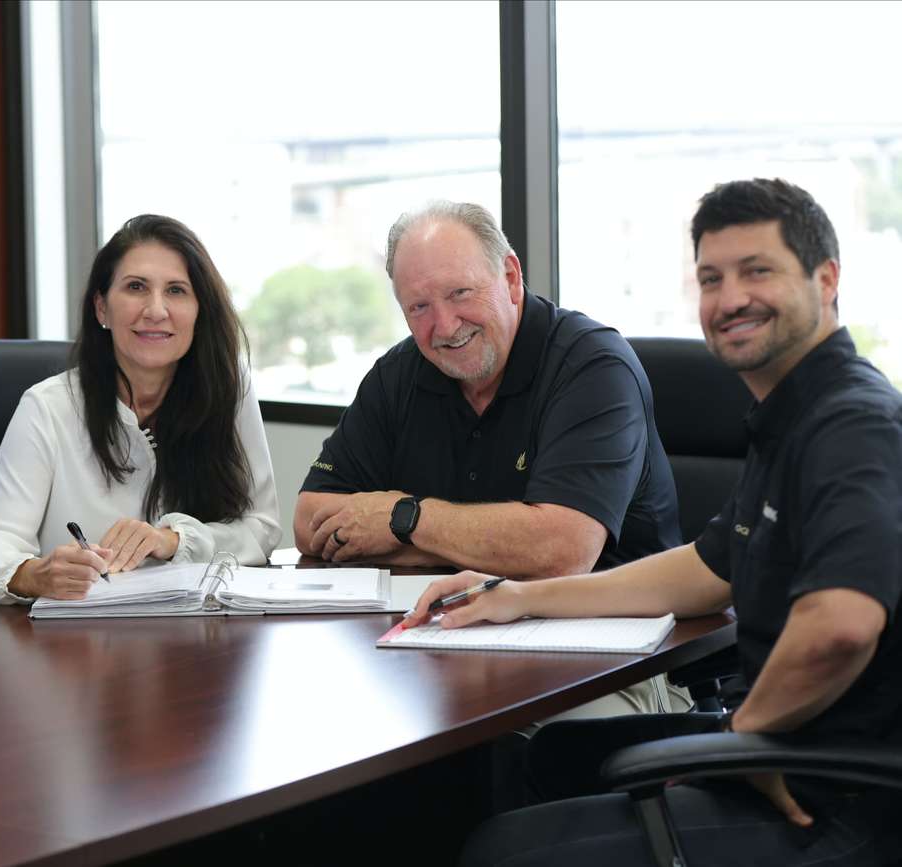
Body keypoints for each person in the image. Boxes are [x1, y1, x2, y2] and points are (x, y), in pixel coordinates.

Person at [406, 179, 902, 866]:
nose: (730, 299)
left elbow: (841, 625)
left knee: (498, 850)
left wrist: (741, 742)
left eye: (757, 271)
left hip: (833, 799)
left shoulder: (850, 424)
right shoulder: (792, 419)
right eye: (711, 277)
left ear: (827, 279)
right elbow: (702, 570)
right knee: (553, 755)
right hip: (788, 749)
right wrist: (516, 594)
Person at [297, 200, 686, 717]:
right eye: (418, 307)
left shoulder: (593, 366)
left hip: (606, 652)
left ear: (509, 275)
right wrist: (483, 546)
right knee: (336, 720)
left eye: (460, 293)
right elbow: (311, 520)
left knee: (530, 747)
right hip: (448, 642)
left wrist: (402, 518)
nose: (445, 325)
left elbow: (563, 552)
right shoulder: (399, 374)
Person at [0, 214, 279, 604]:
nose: (156, 310)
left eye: (177, 291)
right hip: (79, 647)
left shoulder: (230, 391)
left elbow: (261, 529)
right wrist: (35, 574)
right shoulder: (48, 407)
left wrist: (175, 540)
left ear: (200, 311)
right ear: (101, 309)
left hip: (202, 638)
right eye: (136, 287)